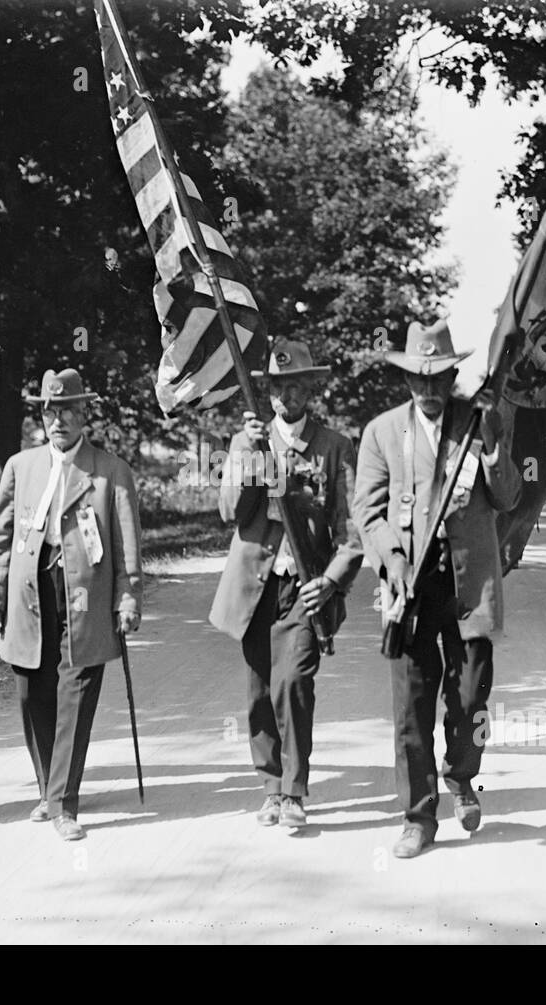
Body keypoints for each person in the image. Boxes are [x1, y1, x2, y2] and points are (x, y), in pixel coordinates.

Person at [352, 319, 521, 859]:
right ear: (406, 380)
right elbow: (366, 511)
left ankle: (462, 776)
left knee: (471, 695)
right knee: (412, 702)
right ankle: (418, 817)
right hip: (410, 588)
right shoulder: (381, 432)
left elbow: (508, 497)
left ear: (452, 376)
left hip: (470, 583)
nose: (428, 390)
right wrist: (391, 557)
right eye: (418, 380)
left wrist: (493, 444)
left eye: (438, 378)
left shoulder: (479, 421)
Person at [0, 368, 143, 842]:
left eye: (68, 409)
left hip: (86, 598)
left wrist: (128, 597)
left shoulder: (110, 470)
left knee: (76, 692)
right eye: (51, 410)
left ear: (85, 413)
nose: (59, 419)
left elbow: (127, 544)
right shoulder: (21, 466)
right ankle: (50, 788)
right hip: (30, 593)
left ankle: (63, 804)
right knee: (33, 690)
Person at [209, 340, 364, 833]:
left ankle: (295, 791)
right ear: (268, 391)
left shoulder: (334, 446)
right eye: (278, 387)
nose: (287, 396)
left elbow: (352, 529)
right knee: (258, 689)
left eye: (297, 385)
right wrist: (252, 456)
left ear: (309, 389)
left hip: (305, 585)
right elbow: (230, 511)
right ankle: (270, 787)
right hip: (255, 585)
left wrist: (333, 581)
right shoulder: (244, 443)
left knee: (293, 681)